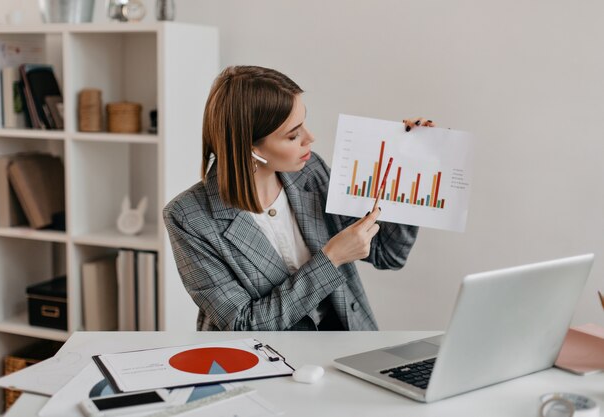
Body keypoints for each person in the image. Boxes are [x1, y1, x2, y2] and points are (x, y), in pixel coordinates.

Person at [164, 65, 432, 331]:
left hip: (344, 341)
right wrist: (331, 259)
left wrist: (405, 170)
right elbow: (244, 325)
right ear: (250, 147)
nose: (310, 139)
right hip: (261, 359)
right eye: (293, 135)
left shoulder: (311, 172)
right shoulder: (188, 217)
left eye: (303, 124)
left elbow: (389, 255)